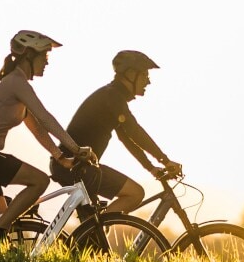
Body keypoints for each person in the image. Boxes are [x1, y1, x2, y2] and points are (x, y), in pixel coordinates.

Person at [0, 30, 95, 235]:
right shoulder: (16, 82)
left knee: (3, 218)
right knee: (40, 181)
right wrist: (76, 149)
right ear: (29, 55)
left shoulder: (15, 84)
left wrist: (61, 157)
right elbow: (46, 118)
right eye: (44, 56)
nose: (47, 62)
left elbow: (37, 129)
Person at [49, 49, 182, 216]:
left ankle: (95, 229)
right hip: (75, 167)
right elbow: (135, 132)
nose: (148, 82)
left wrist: (151, 168)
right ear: (131, 74)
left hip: (78, 167)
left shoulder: (111, 96)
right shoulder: (113, 97)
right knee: (135, 194)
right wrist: (165, 160)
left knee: (92, 231)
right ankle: (97, 227)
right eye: (145, 76)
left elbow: (127, 139)